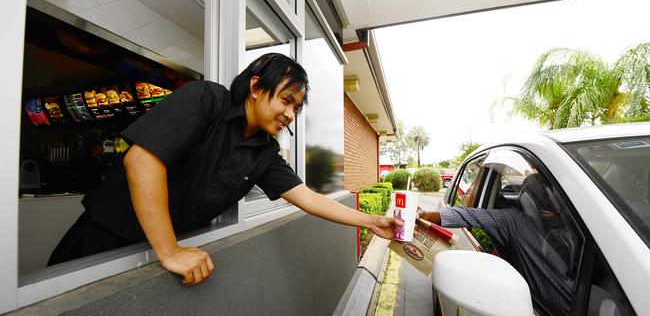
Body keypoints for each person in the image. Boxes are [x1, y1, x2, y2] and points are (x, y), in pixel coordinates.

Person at [49, 53, 402, 286]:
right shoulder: (206, 99)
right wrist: (170, 250)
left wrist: (371, 222)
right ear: (255, 85)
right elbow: (142, 159)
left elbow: (307, 197)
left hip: (158, 259)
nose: (290, 115)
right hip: (100, 244)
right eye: (286, 100)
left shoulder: (265, 151)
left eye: (297, 108)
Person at [419, 174, 575, 316]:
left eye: (554, 200)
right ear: (528, 201)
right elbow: (470, 215)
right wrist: (427, 215)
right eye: (544, 200)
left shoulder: (578, 225)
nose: (553, 206)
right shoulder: (515, 222)